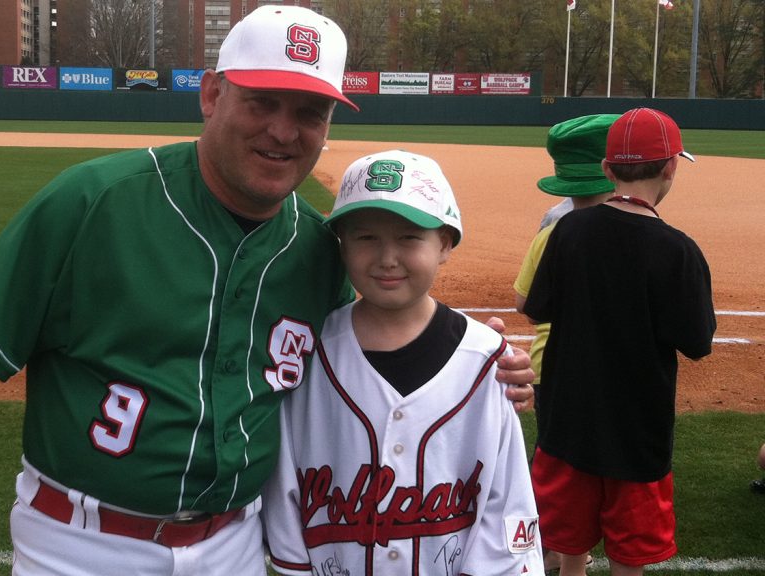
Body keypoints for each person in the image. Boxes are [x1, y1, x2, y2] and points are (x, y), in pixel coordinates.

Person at [0, 6, 534, 576]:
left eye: (310, 112)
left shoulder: (321, 248)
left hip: (235, 546)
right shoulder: (92, 202)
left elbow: (375, 348)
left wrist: (486, 359)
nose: (284, 131)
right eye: (262, 102)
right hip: (79, 545)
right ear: (211, 94)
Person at [263, 150, 544, 576]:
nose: (387, 257)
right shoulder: (309, 353)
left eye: (410, 237)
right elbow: (284, 488)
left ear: (445, 243)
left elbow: (505, 500)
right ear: (341, 246)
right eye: (366, 237)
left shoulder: (487, 361)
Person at [523, 107, 716, 576]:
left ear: (607, 169)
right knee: (629, 557)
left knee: (570, 550)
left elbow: (537, 307)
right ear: (671, 167)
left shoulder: (566, 230)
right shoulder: (678, 249)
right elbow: (696, 341)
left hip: (568, 425)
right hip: (637, 434)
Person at [513, 113, 619, 573]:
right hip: (616, 366)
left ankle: (558, 550)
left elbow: (527, 302)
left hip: (551, 363)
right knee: (613, 464)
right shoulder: (641, 229)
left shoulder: (555, 224)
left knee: (557, 460)